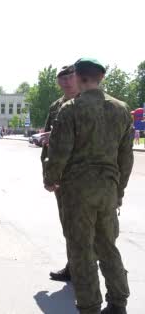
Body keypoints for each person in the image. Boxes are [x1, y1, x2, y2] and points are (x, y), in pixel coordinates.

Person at [44, 58, 132, 314]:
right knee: (107, 247)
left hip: (78, 191)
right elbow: (126, 157)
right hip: (108, 189)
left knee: (81, 250)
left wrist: (51, 180)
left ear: (80, 78)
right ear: (101, 78)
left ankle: (90, 307)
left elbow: (59, 153)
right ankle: (118, 302)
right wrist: (119, 190)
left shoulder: (71, 109)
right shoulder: (122, 109)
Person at [40, 65, 79, 282]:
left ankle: (86, 270)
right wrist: (48, 174)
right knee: (67, 223)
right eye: (62, 78)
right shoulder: (56, 106)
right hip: (61, 176)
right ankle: (73, 266)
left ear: (78, 77)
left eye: (70, 77)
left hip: (81, 173)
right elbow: (47, 144)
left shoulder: (86, 102)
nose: (66, 82)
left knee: (86, 226)